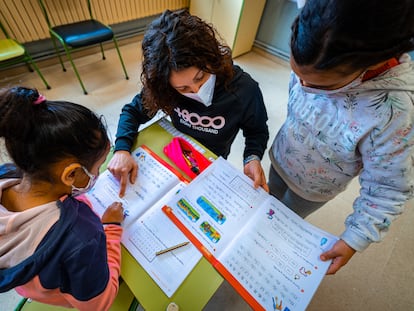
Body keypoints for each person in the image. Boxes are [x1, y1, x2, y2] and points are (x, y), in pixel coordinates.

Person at [268, 0, 414, 275]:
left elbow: (389, 188)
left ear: (376, 63)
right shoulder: (321, 33)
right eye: (297, 74)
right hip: (282, 158)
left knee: (284, 220)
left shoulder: (393, 112)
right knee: (268, 199)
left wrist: (354, 238)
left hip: (312, 190)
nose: (303, 88)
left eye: (321, 86)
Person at [108, 9, 269, 197]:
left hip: (212, 159)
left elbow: (257, 130)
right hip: (175, 153)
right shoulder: (164, 87)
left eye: (201, 77)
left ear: (212, 58)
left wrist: (252, 157)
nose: (196, 90)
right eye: (183, 88)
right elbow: (132, 112)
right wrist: (121, 149)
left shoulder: (244, 89)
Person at [0, 87, 124, 310]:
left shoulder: (6, 174)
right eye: (98, 166)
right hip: (65, 292)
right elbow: (99, 304)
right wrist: (111, 228)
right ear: (71, 174)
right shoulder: (82, 236)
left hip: (28, 284)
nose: (98, 173)